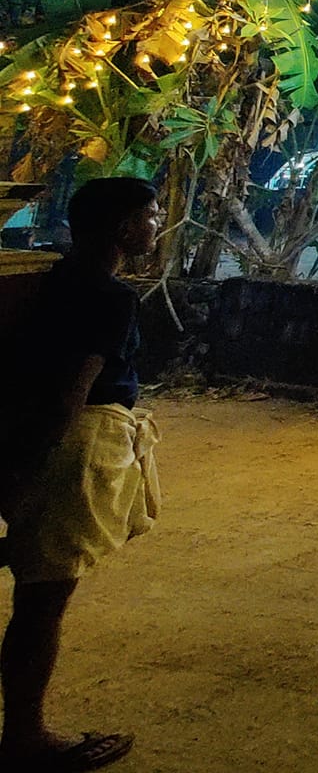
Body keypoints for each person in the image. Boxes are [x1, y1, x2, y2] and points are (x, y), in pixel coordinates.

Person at [0, 178, 164, 771]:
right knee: (43, 600)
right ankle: (24, 736)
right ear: (123, 228)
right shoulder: (109, 297)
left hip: (37, 436)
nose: (156, 223)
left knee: (36, 589)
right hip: (73, 442)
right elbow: (72, 389)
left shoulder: (52, 280)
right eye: (149, 214)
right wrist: (30, 469)